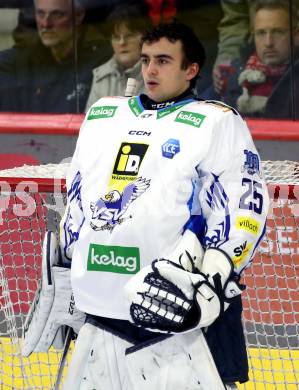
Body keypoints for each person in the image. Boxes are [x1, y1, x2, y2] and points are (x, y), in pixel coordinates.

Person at [23, 20, 269, 389]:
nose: (150, 69)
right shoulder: (103, 115)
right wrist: (69, 263)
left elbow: (245, 205)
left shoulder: (216, 122)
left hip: (176, 315)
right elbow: (78, 192)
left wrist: (219, 269)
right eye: (146, 59)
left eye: (164, 61)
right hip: (99, 312)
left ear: (191, 70)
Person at [0, 0, 111, 113]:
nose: (46, 24)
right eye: (40, 14)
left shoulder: (104, 61)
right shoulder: (19, 63)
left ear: (78, 16)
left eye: (57, 14)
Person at [209, 0, 299, 118]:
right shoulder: (235, 78)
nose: (268, 42)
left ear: (296, 35)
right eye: (261, 33)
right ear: (253, 36)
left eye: (278, 32)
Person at [85, 3, 151, 110]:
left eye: (130, 35)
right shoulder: (100, 76)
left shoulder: (157, 73)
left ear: (145, 37)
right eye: (116, 37)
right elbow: (89, 122)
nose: (122, 42)